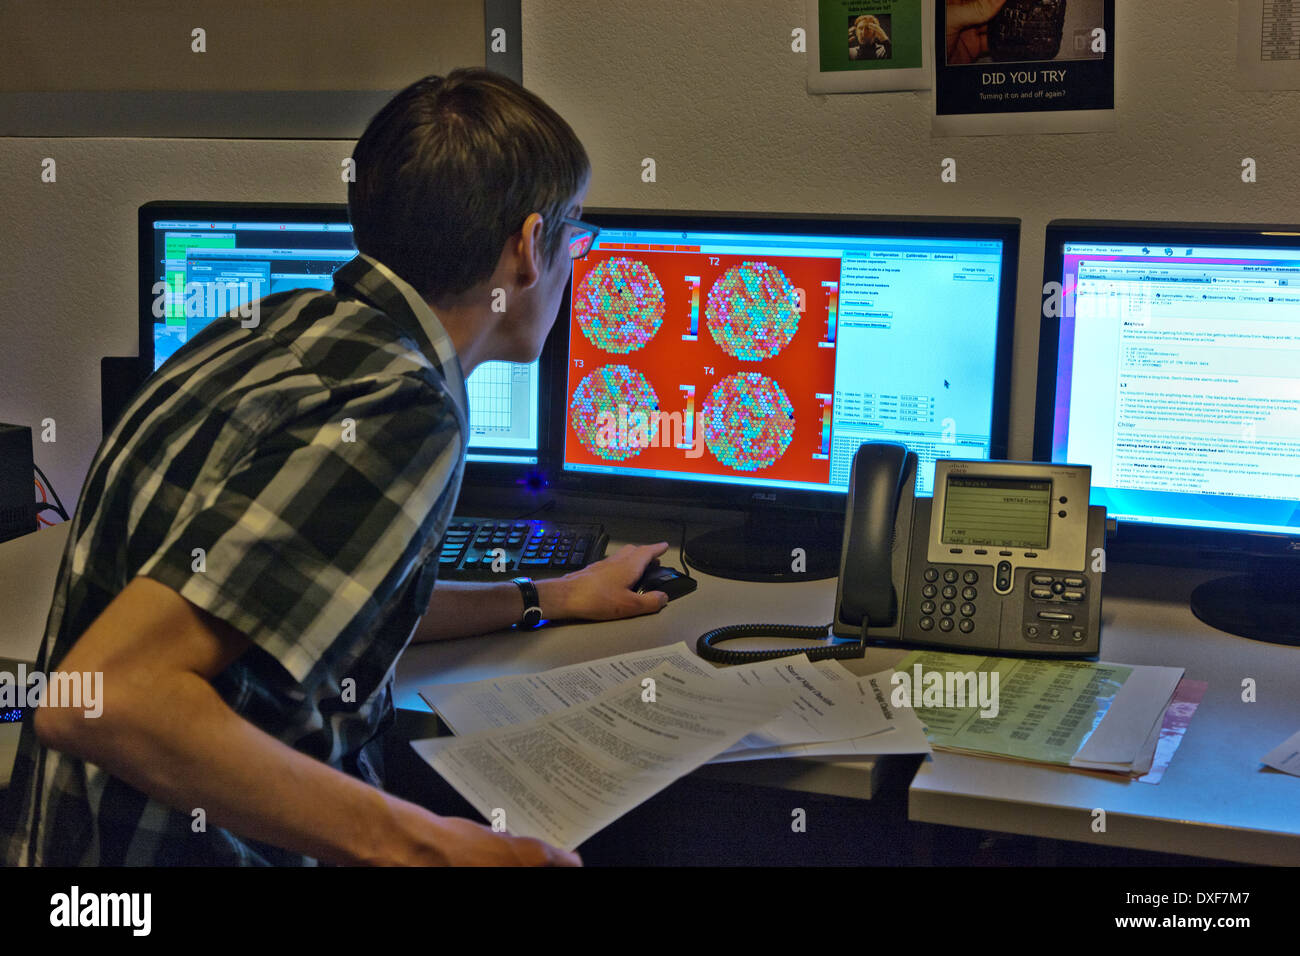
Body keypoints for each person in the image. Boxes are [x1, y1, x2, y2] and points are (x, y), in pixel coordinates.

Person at [0, 69, 670, 867]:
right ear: (529, 248)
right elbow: (109, 698)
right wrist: (432, 848)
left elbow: (300, 595)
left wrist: (546, 596)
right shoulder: (400, 407)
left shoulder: (270, 327)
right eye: (574, 237)